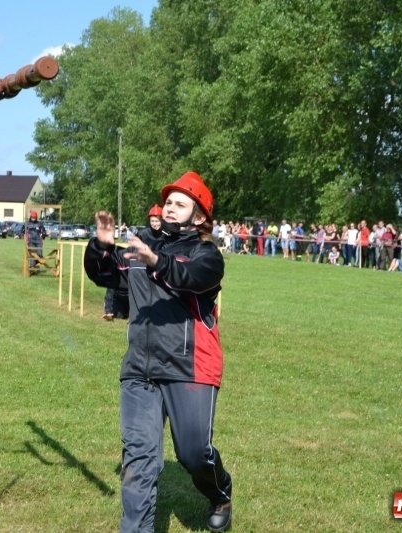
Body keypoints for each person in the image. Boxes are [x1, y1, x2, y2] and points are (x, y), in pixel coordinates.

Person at [84, 171, 233, 533]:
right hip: (139, 370)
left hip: (191, 367)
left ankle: (220, 492)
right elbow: (104, 275)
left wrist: (156, 261)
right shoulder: (140, 247)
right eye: (168, 201)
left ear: (199, 217)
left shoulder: (206, 254)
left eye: (180, 204)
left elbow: (191, 278)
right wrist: (101, 246)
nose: (170, 208)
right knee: (140, 459)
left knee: (193, 453)